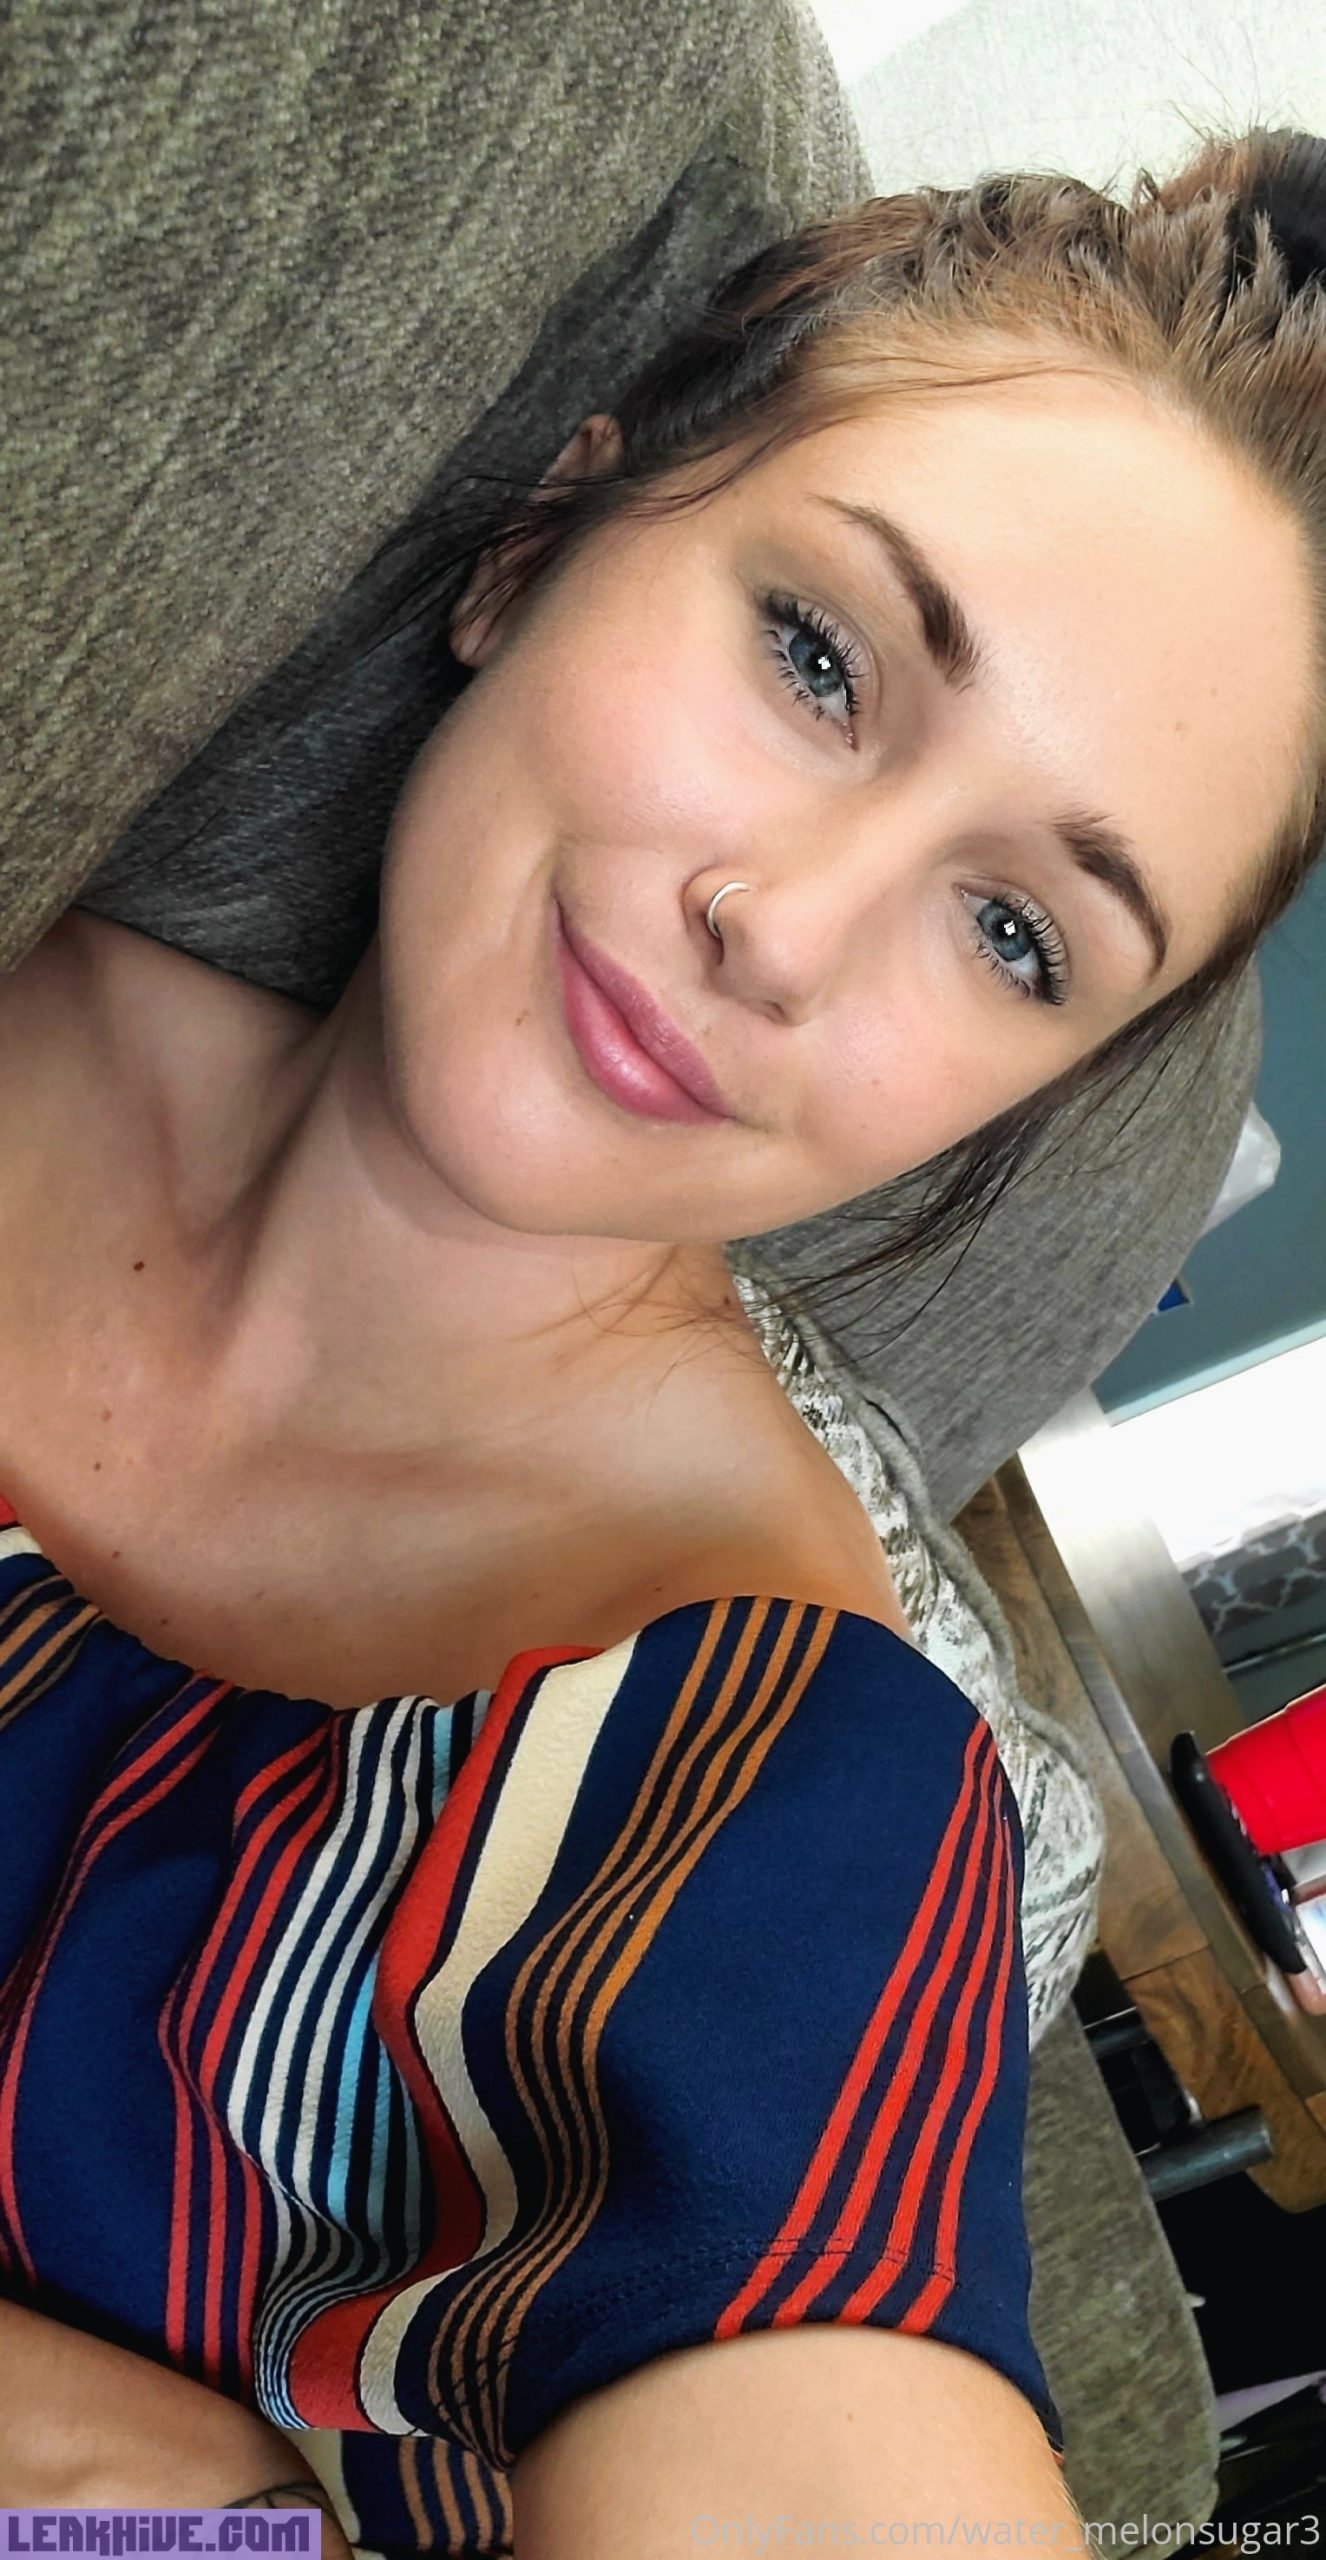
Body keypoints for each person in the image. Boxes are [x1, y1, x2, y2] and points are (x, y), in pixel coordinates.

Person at [2, 118, 1325, 2558]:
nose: (781, 932)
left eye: (1016, 937)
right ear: (542, 541)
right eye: (819, 659)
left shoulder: (779, 1801)